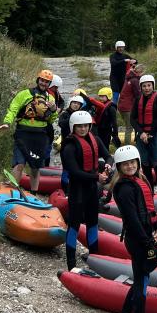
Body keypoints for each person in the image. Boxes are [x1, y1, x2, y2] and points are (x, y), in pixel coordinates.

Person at [110, 145, 157, 313]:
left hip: (144, 236)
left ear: (138, 162)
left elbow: (149, 208)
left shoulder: (140, 181)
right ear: (119, 167)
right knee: (142, 282)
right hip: (137, 239)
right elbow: (132, 220)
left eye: (132, 162)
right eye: (125, 164)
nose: (130, 166)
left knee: (141, 279)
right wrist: (147, 243)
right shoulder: (124, 189)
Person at [59, 109, 113, 270]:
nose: (83, 129)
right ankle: (71, 264)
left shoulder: (95, 139)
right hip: (77, 189)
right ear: (73, 127)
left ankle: (94, 259)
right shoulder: (69, 147)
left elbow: (108, 156)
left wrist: (108, 164)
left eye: (85, 126)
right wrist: (97, 177)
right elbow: (74, 172)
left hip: (92, 189)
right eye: (79, 126)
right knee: (74, 225)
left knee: (93, 222)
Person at [0, 70, 59, 193]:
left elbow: (51, 120)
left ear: (49, 84)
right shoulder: (24, 94)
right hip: (23, 134)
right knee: (19, 164)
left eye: (47, 82)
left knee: (35, 168)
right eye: (42, 80)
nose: (43, 83)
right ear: (38, 80)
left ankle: (34, 193)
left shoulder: (50, 98)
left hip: (40, 136)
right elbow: (13, 109)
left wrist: (53, 110)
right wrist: (7, 122)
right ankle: (12, 192)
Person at [131, 74, 157, 193]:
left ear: (153, 86)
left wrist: (150, 133)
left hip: (155, 136)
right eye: (144, 86)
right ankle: (149, 193)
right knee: (146, 167)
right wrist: (141, 133)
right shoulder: (138, 99)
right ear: (141, 87)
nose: (147, 88)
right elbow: (132, 119)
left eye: (149, 85)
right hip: (142, 137)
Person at [117, 60, 142, 146]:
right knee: (129, 127)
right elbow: (138, 94)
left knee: (131, 125)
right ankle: (127, 146)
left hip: (121, 106)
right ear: (140, 72)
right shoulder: (134, 80)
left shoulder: (129, 77)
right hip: (127, 107)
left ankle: (135, 140)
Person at [90, 86, 120, 151]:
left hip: (106, 131)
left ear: (108, 96)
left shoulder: (111, 108)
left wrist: (115, 134)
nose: (100, 98)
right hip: (99, 129)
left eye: (103, 97)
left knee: (105, 146)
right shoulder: (100, 105)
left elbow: (114, 122)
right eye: (100, 96)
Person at [45, 74, 65, 166]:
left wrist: (58, 110)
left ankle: (46, 165)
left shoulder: (55, 92)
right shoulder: (44, 93)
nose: (56, 89)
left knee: (49, 143)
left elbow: (62, 102)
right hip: (44, 122)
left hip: (51, 121)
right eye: (55, 87)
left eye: (57, 87)